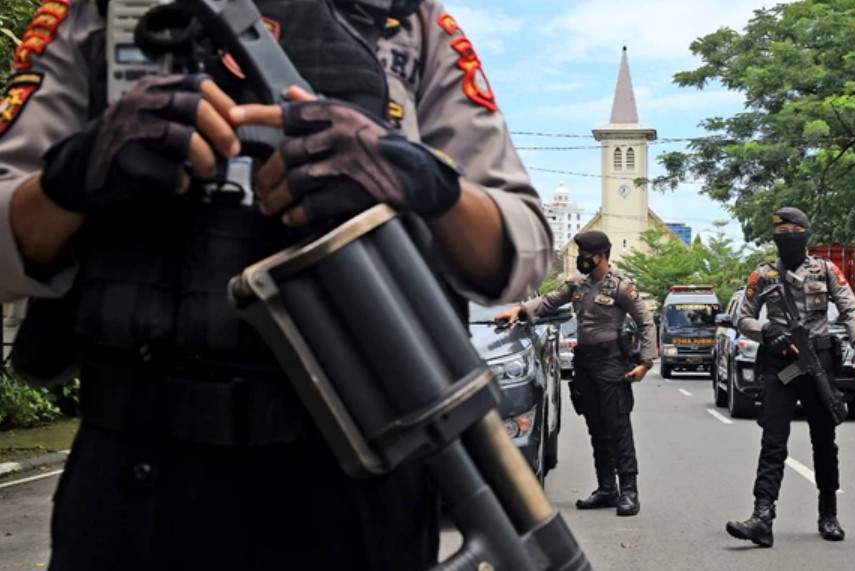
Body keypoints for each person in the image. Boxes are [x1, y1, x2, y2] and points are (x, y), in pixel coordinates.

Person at [0, 1, 551, 569]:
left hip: (355, 480)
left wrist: (419, 180)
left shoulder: (410, 22)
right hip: (137, 476)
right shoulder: (94, 13)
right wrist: (78, 173)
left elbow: (522, 249)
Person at [725, 207, 855, 548]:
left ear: (805, 234)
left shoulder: (826, 269)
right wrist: (768, 331)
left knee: (824, 439)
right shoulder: (762, 275)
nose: (788, 236)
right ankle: (762, 517)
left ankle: (828, 513)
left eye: (794, 231)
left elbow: (849, 308)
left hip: (817, 360)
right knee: (773, 440)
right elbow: (743, 318)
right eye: (782, 231)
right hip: (779, 363)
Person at [495, 231, 657, 517]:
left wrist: (645, 362)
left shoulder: (620, 286)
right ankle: (607, 489)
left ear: (601, 256)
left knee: (617, 426)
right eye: (579, 254)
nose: (581, 259)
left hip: (611, 363)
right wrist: (519, 310)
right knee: (596, 427)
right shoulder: (576, 285)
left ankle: (629, 491)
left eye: (585, 255)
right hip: (585, 363)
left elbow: (645, 322)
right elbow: (546, 302)